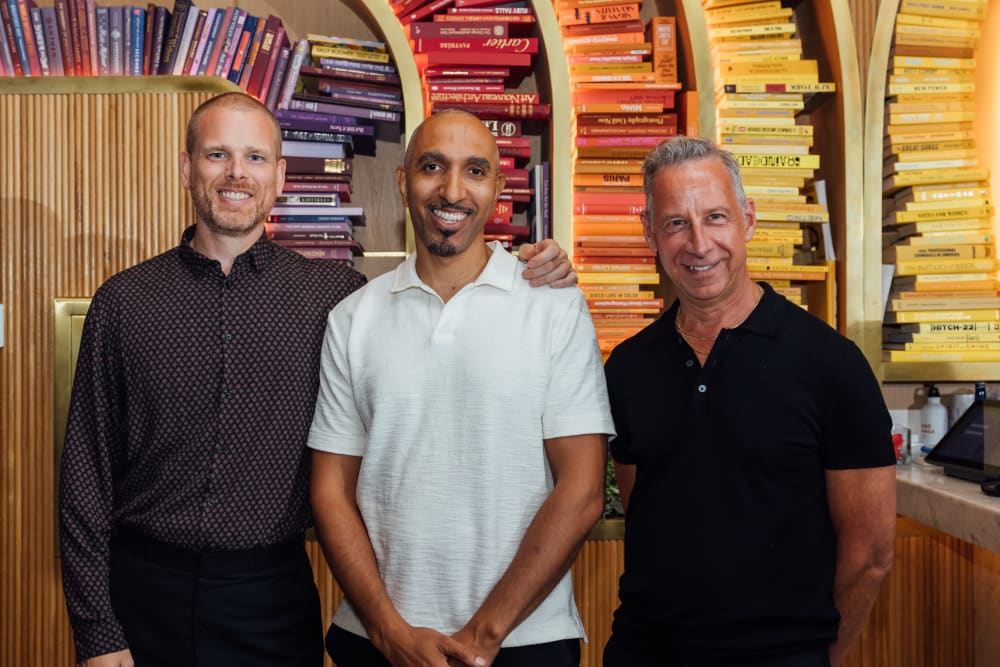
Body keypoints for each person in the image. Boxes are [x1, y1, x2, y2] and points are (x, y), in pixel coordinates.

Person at [58, 92, 577, 667]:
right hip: (142, 595)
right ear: (187, 168)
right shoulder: (125, 303)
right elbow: (84, 479)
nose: (236, 174)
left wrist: (535, 262)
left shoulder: (336, 300)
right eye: (217, 155)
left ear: (279, 176)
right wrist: (97, 632)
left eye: (255, 158)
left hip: (273, 600)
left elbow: (445, 282)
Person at [306, 108, 615, 667]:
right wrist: (388, 630)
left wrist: (483, 636)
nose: (452, 189)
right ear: (403, 182)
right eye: (432, 167)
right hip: (376, 641)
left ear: (498, 187)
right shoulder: (352, 318)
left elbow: (584, 488)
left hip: (524, 642)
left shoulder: (554, 306)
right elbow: (330, 492)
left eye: (475, 171)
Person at [602, 136, 897, 667]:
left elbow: (871, 556)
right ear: (649, 231)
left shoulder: (832, 365)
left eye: (715, 217)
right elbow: (645, 511)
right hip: (644, 651)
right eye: (674, 223)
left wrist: (818, 658)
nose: (697, 243)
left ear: (748, 219)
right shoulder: (626, 368)